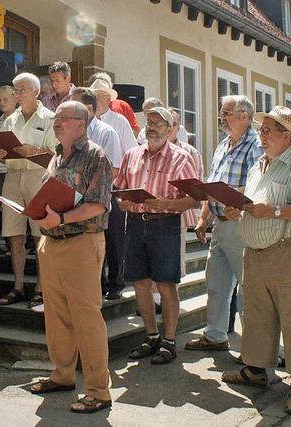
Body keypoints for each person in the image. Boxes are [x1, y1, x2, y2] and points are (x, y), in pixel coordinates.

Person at [221, 105, 291, 415]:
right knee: (257, 316)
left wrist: (275, 211)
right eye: (261, 130)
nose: (261, 135)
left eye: (268, 130)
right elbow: (255, 203)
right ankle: (256, 369)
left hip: (289, 250)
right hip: (256, 252)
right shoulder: (258, 166)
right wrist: (236, 209)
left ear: (287, 136)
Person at [28, 101, 113, 414]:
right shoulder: (55, 155)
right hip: (51, 244)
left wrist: (62, 220)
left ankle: (99, 391)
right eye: (57, 117)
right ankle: (62, 375)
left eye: (63, 118)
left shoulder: (95, 156)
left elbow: (99, 204)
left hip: (81, 242)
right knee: (56, 314)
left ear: (81, 123)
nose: (57, 122)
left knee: (86, 317)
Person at [114, 106, 198, 364]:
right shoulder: (131, 155)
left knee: (165, 283)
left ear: (171, 129)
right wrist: (124, 203)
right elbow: (120, 190)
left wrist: (168, 205)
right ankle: (151, 336)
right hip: (136, 223)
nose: (151, 127)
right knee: (140, 282)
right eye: (149, 122)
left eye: (159, 123)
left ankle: (169, 340)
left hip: (165, 224)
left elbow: (194, 199)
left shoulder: (182, 158)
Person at [185, 95, 262, 352]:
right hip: (219, 223)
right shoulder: (222, 145)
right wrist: (203, 218)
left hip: (240, 224)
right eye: (222, 113)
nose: (222, 117)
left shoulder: (255, 144)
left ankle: (254, 345)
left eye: (227, 113)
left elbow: (257, 186)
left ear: (245, 116)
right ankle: (215, 335)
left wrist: (233, 199)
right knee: (216, 283)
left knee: (247, 288)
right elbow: (211, 185)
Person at [0, 72, 56, 309]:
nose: (17, 94)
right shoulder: (10, 120)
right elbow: (3, 150)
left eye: (21, 90)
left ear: (36, 92)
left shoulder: (50, 118)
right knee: (14, 236)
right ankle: (18, 286)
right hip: (12, 176)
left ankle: (41, 288)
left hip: (37, 177)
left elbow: (54, 156)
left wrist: (27, 150)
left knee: (40, 236)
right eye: (15, 90)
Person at [71, 87, 125, 300]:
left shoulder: (106, 132)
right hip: (82, 197)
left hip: (106, 194)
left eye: (75, 105)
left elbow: (114, 169)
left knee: (112, 240)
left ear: (90, 108)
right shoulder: (73, 133)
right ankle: (98, 283)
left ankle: (116, 283)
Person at [168, 108, 204, 277]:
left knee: (174, 268)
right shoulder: (144, 150)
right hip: (149, 216)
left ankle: (166, 303)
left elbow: (196, 188)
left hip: (177, 216)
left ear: (178, 127)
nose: (168, 128)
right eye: (165, 123)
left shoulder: (190, 152)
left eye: (173, 124)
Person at [0, 85, 18, 238]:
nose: (2, 102)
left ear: (15, 98)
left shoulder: (20, 119)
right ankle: (8, 241)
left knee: (15, 206)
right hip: (0, 169)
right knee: (0, 204)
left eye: (5, 99)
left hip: (14, 169)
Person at [89, 79, 137, 153]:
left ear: (108, 99)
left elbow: (132, 151)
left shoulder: (120, 121)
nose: (95, 100)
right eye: (92, 96)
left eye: (99, 96)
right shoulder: (86, 120)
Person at [87, 72, 140, 136]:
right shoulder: (85, 116)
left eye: (102, 95)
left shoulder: (122, 107)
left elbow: (136, 132)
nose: (97, 100)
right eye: (95, 95)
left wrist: (117, 135)